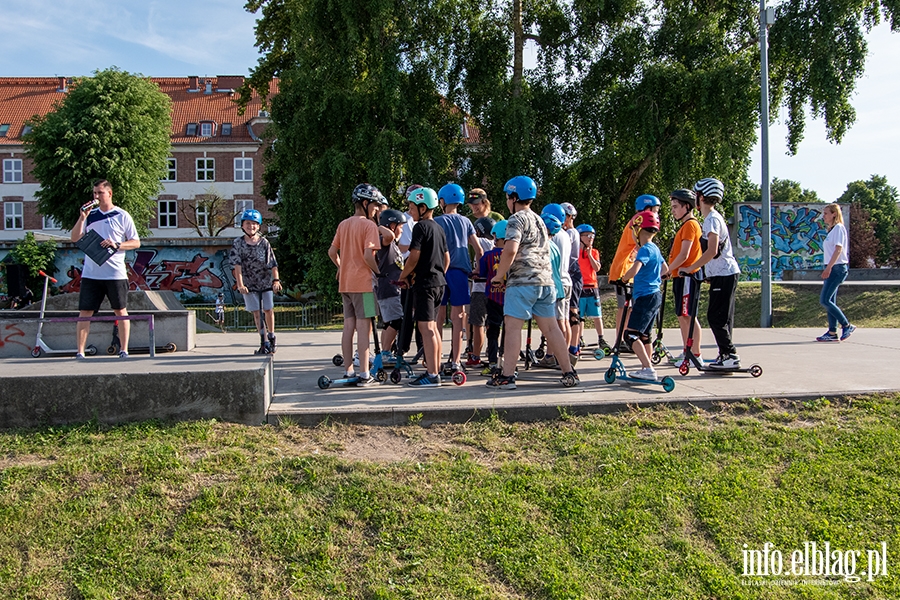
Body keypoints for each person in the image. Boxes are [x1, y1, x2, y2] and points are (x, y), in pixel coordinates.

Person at [487, 175, 577, 389]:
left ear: (514, 197)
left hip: (523, 282)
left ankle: (507, 376)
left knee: (513, 327)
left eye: (509, 197)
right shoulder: (539, 219)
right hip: (545, 281)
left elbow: (510, 249)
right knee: (551, 328)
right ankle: (569, 372)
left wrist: (499, 276)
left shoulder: (516, 220)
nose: (508, 201)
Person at [70, 179, 140, 359]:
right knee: (85, 311)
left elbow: (135, 242)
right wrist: (82, 217)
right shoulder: (91, 215)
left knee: (120, 309)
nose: (96, 197)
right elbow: (75, 238)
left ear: (109, 193)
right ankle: (80, 351)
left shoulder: (122, 215)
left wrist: (117, 244)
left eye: (100, 193)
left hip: (115, 273)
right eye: (94, 193)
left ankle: (124, 349)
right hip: (91, 274)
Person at [679, 177, 742, 369]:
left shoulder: (711, 220)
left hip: (725, 274)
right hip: (721, 274)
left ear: (701, 197)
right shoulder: (712, 219)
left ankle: (730, 355)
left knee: (716, 317)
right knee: (721, 317)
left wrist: (692, 268)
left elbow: (712, 250)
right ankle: (725, 355)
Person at [328, 183, 383, 386]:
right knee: (364, 325)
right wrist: (379, 272)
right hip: (365, 285)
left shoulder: (344, 224)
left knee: (348, 325)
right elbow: (369, 255)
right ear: (365, 203)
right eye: (375, 206)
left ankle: (349, 370)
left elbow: (332, 252)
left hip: (346, 284)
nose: (376, 209)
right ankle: (365, 373)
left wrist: (341, 267)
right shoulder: (369, 226)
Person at [399, 187, 450, 387]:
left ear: (423, 207)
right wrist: (439, 273)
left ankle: (432, 374)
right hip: (438, 283)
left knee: (425, 327)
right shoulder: (438, 228)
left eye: (412, 208)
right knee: (433, 328)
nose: (410, 212)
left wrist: (404, 275)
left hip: (425, 284)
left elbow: (414, 256)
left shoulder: (420, 228)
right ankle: (434, 368)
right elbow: (446, 258)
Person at [435, 183, 483, 372]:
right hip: (460, 273)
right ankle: (456, 360)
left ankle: (435, 358)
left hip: (441, 271)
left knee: (438, 318)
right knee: (459, 317)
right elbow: (478, 249)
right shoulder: (466, 222)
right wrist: (477, 268)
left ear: (442, 201)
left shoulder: (437, 221)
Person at [608, 194, 662, 350]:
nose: (656, 214)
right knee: (624, 308)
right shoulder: (637, 223)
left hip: (630, 269)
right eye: (656, 210)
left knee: (631, 308)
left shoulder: (639, 222)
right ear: (647, 209)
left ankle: (627, 339)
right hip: (623, 270)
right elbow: (641, 246)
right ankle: (620, 340)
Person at [621, 210, 668, 380]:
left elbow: (635, 269)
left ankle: (648, 369)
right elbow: (665, 270)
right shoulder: (655, 248)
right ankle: (645, 368)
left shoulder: (644, 249)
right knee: (645, 336)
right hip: (655, 294)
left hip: (645, 296)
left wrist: (624, 278)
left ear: (637, 230)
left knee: (631, 334)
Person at [231, 209, 283, 354]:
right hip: (249, 284)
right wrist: (240, 285)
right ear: (242, 225)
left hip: (265, 282)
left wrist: (276, 281)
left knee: (268, 309)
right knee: (256, 312)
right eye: (248, 223)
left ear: (259, 226)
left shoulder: (264, 242)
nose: (251, 226)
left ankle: (272, 337)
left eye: (254, 224)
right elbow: (237, 266)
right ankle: (263, 340)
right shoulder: (238, 243)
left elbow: (273, 263)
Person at [666, 189, 704, 362]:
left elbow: (684, 254)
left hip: (686, 277)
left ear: (687, 206)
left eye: (675, 206)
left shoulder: (690, 225)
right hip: (679, 277)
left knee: (688, 316)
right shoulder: (685, 226)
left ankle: (694, 354)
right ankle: (687, 350)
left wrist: (667, 270)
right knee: (683, 316)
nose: (673, 210)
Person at [536, 203, 572, 369]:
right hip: (565, 279)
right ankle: (561, 354)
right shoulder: (564, 235)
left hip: (555, 283)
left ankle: (556, 356)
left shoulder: (551, 239)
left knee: (556, 324)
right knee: (563, 321)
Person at [817, 203, 856, 342]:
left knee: (825, 300)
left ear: (834, 214)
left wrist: (829, 268)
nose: (824, 216)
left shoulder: (839, 228)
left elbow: (838, 250)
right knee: (830, 300)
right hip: (832, 267)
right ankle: (832, 332)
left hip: (837, 268)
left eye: (826, 213)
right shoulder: (832, 230)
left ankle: (846, 325)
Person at [574, 224, 610, 352]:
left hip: (592, 287)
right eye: (587, 236)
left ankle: (601, 338)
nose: (590, 238)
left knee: (597, 315)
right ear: (580, 237)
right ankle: (579, 338)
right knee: (579, 315)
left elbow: (597, 268)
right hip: (580, 287)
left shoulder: (594, 252)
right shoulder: (575, 253)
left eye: (592, 236)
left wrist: (589, 254)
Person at [375, 209, 406, 355]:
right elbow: (388, 235)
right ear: (392, 226)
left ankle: (386, 351)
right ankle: (386, 352)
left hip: (393, 288)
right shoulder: (384, 241)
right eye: (400, 226)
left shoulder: (393, 245)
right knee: (396, 322)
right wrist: (378, 224)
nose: (402, 230)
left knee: (389, 323)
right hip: (389, 288)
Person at [478, 220, 507, 374]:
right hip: (509, 298)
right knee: (509, 331)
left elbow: (481, 273)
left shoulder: (488, 255)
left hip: (493, 298)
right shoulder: (514, 255)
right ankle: (508, 363)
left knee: (493, 331)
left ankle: (493, 362)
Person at [467, 216, 496, 367]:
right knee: (489, 323)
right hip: (493, 289)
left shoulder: (482, 242)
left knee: (477, 323)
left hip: (479, 288)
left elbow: (469, 240)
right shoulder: (494, 244)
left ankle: (476, 356)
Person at [560, 202, 583, 350]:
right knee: (570, 312)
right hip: (571, 271)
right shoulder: (570, 232)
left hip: (572, 271)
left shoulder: (570, 233)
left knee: (572, 312)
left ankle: (574, 345)